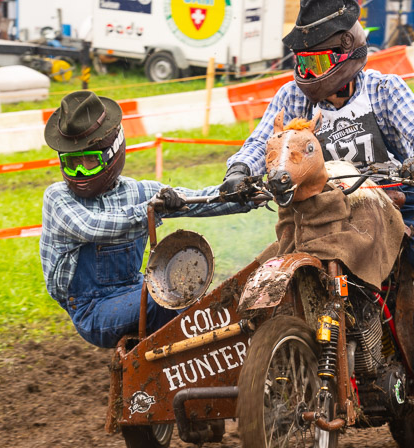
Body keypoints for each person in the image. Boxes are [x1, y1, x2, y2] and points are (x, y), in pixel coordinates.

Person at [222, 0, 414, 406]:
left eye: (318, 63)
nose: (309, 75)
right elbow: (260, 141)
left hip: (401, 199)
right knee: (266, 268)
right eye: (304, 63)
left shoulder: (384, 90)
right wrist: (239, 171)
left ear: (348, 54)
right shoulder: (291, 99)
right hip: (324, 214)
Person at [40, 91, 254, 349]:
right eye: (71, 163)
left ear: (113, 152)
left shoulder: (136, 192)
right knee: (169, 297)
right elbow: (93, 227)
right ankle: (200, 359)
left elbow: (197, 201)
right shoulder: (58, 197)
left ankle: (208, 360)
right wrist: (152, 208)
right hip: (91, 309)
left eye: (89, 162)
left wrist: (246, 195)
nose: (79, 172)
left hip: (136, 289)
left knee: (195, 293)